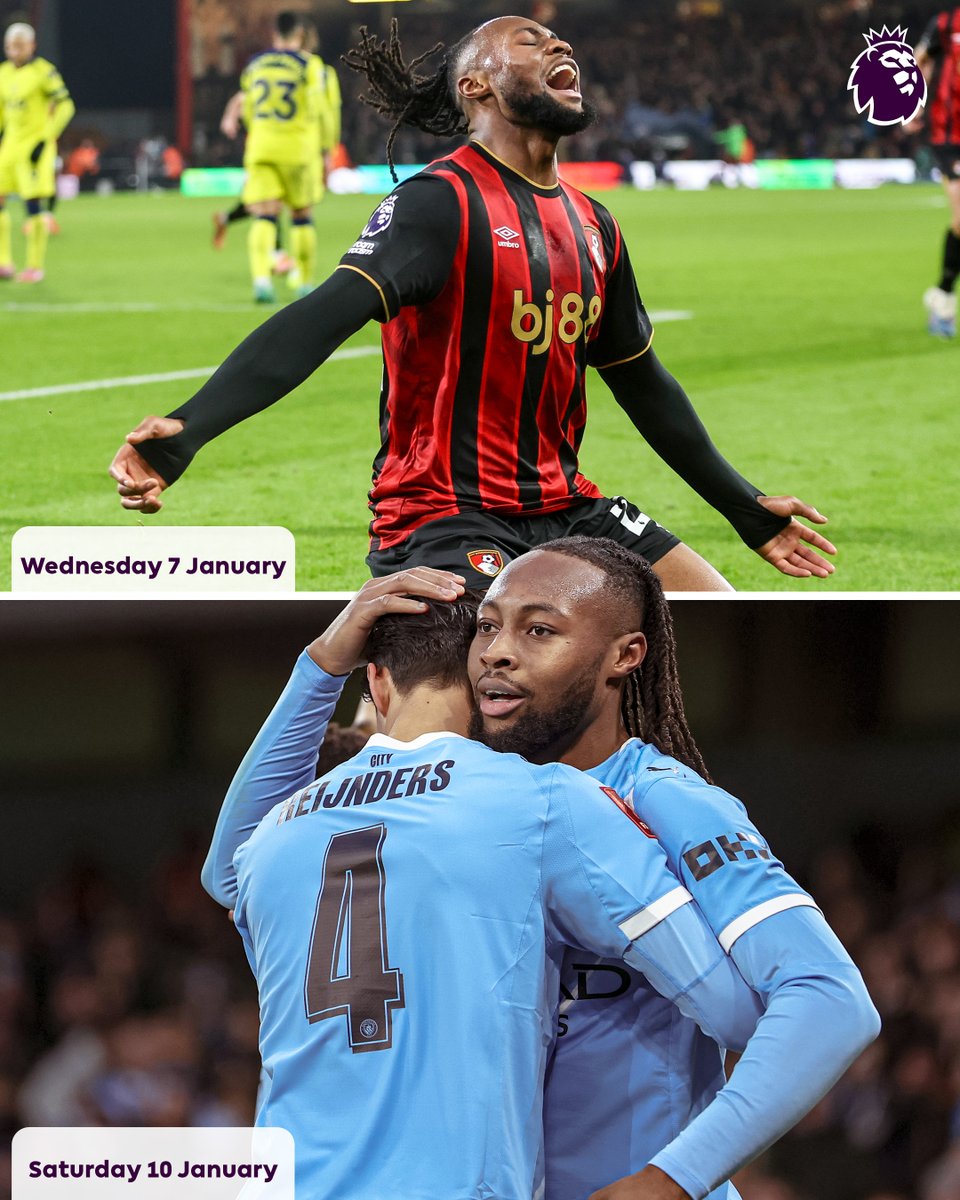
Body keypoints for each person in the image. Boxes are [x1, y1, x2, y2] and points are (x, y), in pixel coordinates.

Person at [211, 549, 880, 1200]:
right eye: (488, 628)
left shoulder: (663, 798)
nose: (499, 652)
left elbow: (821, 1001)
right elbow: (231, 873)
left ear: (626, 654)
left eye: (539, 630)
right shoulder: (488, 807)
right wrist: (321, 666)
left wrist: (676, 1176)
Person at [109, 16, 835, 594]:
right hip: (443, 515)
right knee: (490, 685)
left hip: (566, 505)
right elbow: (319, 320)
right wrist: (186, 431)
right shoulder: (439, 202)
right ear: (476, 87)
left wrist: (746, 510)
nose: (558, 43)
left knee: (712, 607)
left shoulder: (595, 224)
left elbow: (644, 383)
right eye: (528, 41)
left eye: (554, 37)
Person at [226, 11, 325, 303]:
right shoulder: (309, 64)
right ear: (299, 35)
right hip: (297, 149)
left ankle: (261, 282)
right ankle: (304, 283)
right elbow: (317, 107)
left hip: (261, 147)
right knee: (301, 217)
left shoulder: (255, 64)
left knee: (265, 216)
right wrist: (324, 145)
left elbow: (247, 107)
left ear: (274, 34)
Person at [0, 22, 74, 283]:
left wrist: (47, 137)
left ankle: (34, 266)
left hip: (34, 147)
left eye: (20, 45)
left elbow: (66, 105)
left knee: (32, 205)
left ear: (32, 45)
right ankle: (3, 262)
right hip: (9, 146)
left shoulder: (44, 72)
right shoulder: (3, 73)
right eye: (10, 46)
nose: (14, 51)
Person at [916, 10, 960, 337]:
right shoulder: (946, 23)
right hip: (951, 136)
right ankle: (944, 295)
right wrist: (914, 102)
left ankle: (942, 294)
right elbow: (920, 60)